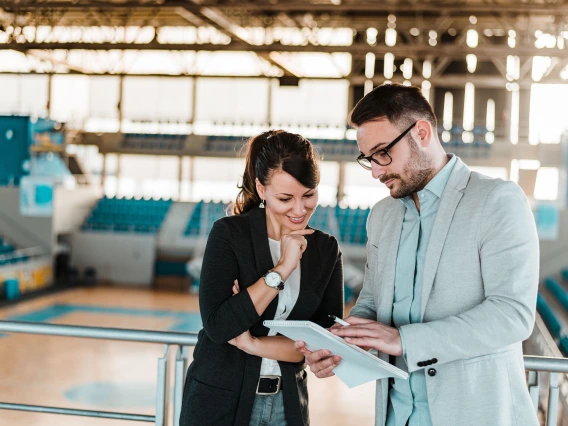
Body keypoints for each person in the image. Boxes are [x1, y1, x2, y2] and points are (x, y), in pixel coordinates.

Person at [296, 83, 539, 426]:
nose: (377, 171)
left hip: (474, 413)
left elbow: (511, 315)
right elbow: (373, 300)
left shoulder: (497, 201)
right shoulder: (382, 215)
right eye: (369, 159)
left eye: (383, 152)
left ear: (422, 133)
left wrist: (404, 340)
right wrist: (347, 342)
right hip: (397, 415)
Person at [179, 130, 344, 426]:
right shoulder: (229, 235)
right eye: (285, 198)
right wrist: (282, 269)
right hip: (219, 402)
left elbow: (321, 341)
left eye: (309, 195)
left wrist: (251, 342)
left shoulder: (325, 249)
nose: (299, 209)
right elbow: (219, 326)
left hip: (288, 403)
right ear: (261, 188)